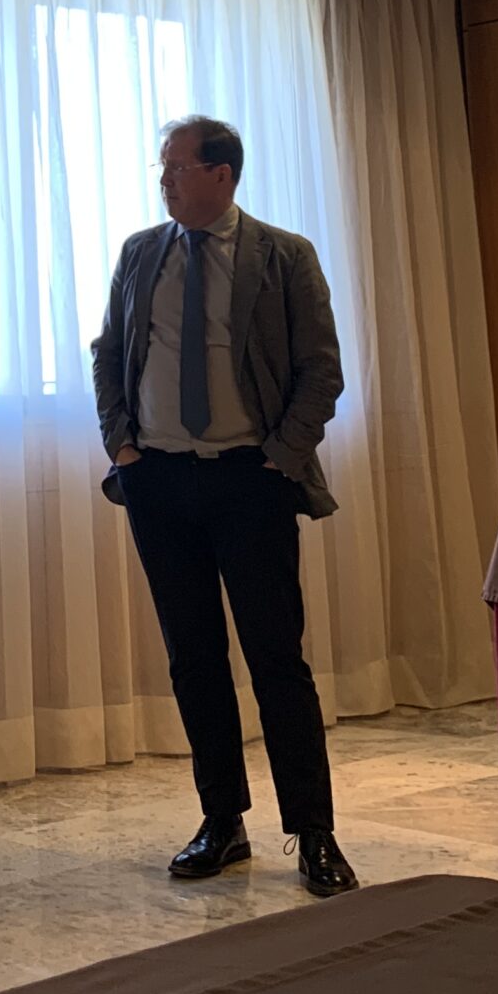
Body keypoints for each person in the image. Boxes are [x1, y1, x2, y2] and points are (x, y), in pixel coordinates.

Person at [91, 115, 356, 897]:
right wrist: (122, 446)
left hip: (251, 480)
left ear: (222, 174)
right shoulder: (141, 253)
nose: (164, 180)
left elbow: (321, 370)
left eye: (176, 167)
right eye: (162, 168)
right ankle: (222, 821)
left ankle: (314, 832)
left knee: (277, 658)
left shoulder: (283, 256)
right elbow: (110, 354)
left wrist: (279, 458)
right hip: (158, 483)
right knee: (194, 657)